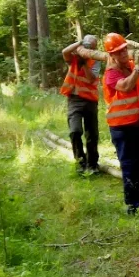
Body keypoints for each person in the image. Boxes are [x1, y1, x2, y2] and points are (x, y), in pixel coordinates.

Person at [102, 32, 139, 215]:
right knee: (130, 166)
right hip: (122, 128)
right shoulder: (110, 74)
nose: (123, 53)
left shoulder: (136, 66)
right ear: (112, 56)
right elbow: (125, 86)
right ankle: (134, 205)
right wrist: (138, 70)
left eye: (124, 49)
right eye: (118, 52)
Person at [60, 35, 101, 174]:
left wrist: (84, 62)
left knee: (92, 134)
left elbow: (91, 79)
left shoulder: (95, 60)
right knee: (75, 131)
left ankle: (93, 164)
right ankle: (80, 162)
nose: (89, 47)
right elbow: (64, 52)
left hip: (90, 100)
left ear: (95, 47)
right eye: (87, 44)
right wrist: (79, 44)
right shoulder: (74, 58)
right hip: (74, 99)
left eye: (92, 45)